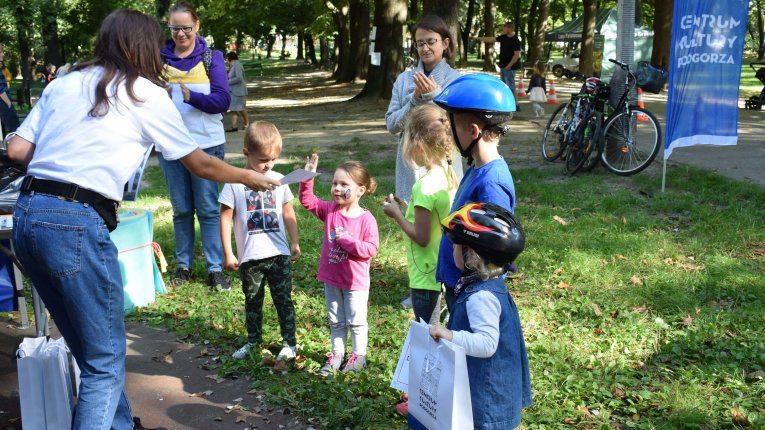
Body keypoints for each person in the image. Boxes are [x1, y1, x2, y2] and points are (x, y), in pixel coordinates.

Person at [6, 9, 276, 430]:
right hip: (76, 222)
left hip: (26, 216)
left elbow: (18, 151)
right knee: (106, 360)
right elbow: (200, 164)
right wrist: (248, 176)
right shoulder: (143, 92)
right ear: (143, 48)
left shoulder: (63, 83)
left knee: (88, 348)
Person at [382, 104, 458, 417]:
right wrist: (406, 206)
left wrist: (397, 215)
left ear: (416, 143)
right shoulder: (446, 174)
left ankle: (423, 401)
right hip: (437, 271)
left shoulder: (425, 185)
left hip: (425, 274)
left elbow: (422, 236)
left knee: (426, 335)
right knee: (434, 330)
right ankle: (427, 395)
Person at [427, 202, 532, 429]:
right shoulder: (489, 285)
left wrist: (449, 335)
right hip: (493, 392)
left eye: (456, 246)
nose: (452, 250)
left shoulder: (481, 296)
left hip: (487, 400)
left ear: (470, 254)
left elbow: (486, 344)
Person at [160, 1, 232, 290]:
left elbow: (222, 101)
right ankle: (184, 266)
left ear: (197, 26)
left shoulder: (211, 58)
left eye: (186, 28)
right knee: (180, 209)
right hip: (171, 145)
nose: (181, 34)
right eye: (175, 28)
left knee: (207, 208)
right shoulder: (159, 59)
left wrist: (192, 97)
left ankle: (215, 269)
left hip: (207, 145)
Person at [433, 73, 517, 314]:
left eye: (452, 127)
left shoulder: (492, 182)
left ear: (473, 131)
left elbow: (493, 251)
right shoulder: (477, 167)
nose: (449, 134)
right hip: (459, 283)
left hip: (472, 292)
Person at [219, 121, 300, 361]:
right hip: (250, 257)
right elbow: (224, 218)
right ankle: (253, 341)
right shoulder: (234, 182)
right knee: (253, 301)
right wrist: (228, 253)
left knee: (283, 299)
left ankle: (290, 343)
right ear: (246, 153)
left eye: (273, 159)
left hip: (278, 254)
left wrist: (294, 242)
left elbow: (288, 212)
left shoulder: (279, 179)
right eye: (263, 159)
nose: (269, 165)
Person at [299, 154, 379, 375]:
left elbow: (371, 249)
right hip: (332, 278)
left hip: (355, 283)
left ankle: (358, 357)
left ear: (360, 190)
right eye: (335, 183)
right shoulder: (330, 211)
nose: (336, 188)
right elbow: (308, 201)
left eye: (344, 184)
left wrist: (348, 243)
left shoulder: (366, 219)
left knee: (356, 321)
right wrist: (307, 176)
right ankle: (337, 354)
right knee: (336, 320)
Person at [385, 14, 462, 203]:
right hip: (410, 162)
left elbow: (457, 122)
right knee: (411, 218)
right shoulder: (404, 80)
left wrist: (434, 94)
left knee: (445, 217)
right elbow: (392, 125)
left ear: (445, 43)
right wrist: (415, 101)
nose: (425, 48)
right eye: (420, 43)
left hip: (444, 160)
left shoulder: (456, 79)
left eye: (431, 42)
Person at [472, 21, 522, 108]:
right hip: (503, 65)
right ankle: (507, 102)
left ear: (510, 28)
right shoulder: (503, 37)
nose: (503, 29)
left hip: (510, 67)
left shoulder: (515, 40)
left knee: (510, 85)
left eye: (505, 27)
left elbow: (517, 54)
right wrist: (478, 38)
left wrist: (509, 65)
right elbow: (491, 39)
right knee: (504, 84)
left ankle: (516, 104)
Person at [225, 51, 249, 132]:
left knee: (241, 108)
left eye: (226, 59)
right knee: (232, 108)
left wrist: (227, 82)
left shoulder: (237, 65)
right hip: (233, 91)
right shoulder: (232, 66)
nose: (226, 61)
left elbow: (239, 78)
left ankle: (247, 124)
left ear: (230, 58)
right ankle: (234, 126)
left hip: (239, 91)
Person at [0, 45, 20, 135]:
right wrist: (8, 102)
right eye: (0, 52)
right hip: (3, 102)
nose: (3, 54)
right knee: (15, 130)